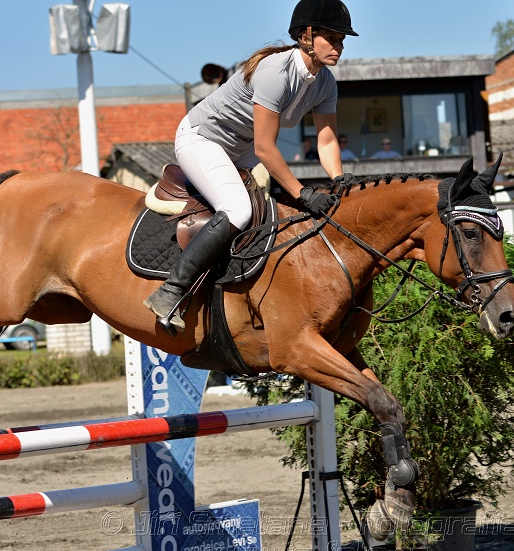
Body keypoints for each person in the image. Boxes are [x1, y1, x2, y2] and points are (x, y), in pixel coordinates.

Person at [144, 0, 359, 335]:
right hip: (202, 139)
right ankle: (170, 290)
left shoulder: (324, 82)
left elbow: (327, 140)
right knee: (238, 211)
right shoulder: (275, 73)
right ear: (306, 37)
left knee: (279, 209)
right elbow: (266, 148)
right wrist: (302, 191)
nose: (339, 46)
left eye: (342, 40)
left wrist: (339, 180)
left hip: (241, 148)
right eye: (332, 38)